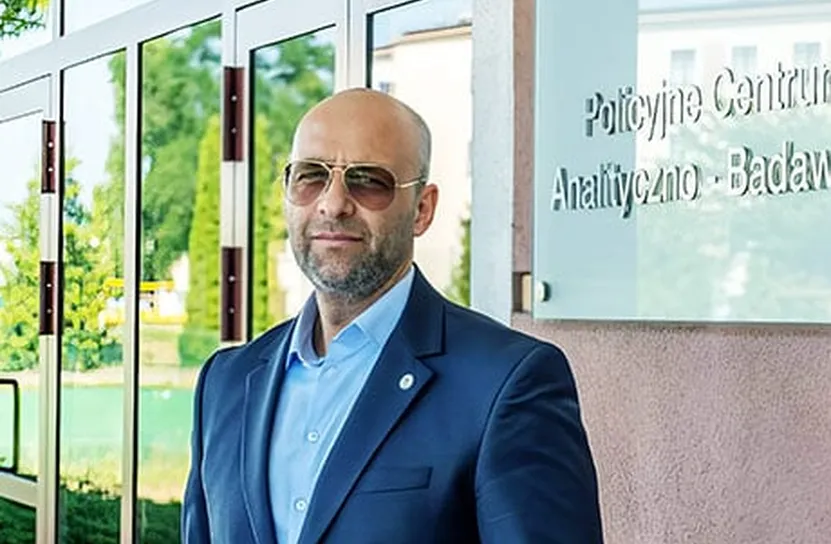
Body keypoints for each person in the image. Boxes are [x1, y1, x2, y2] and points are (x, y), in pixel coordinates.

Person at [181, 88, 604, 543]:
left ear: (422, 209)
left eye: (368, 180)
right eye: (310, 176)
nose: (333, 204)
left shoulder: (505, 383)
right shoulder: (225, 383)